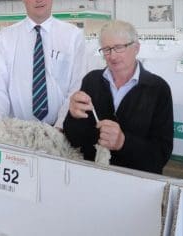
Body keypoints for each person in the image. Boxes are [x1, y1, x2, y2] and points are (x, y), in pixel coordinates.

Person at [0, 0, 86, 133]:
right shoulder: (4, 39)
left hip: (61, 130)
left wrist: (61, 125)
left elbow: (77, 85)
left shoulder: (73, 36)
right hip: (16, 132)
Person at [63, 20, 173, 174]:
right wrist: (73, 116)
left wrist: (123, 142)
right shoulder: (92, 81)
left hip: (137, 183)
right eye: (106, 49)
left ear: (136, 48)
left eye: (119, 47)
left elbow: (160, 155)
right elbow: (75, 139)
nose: (112, 56)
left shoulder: (158, 89)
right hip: (93, 176)